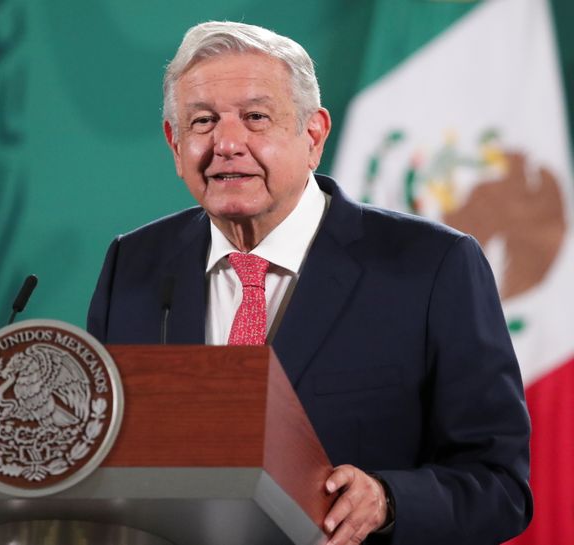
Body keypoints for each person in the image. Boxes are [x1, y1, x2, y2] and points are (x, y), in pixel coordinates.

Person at [87, 21, 532, 545]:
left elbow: (500, 487)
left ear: (313, 134)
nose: (228, 143)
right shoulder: (133, 265)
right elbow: (99, 459)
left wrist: (388, 502)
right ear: (174, 142)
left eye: (256, 118)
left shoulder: (433, 267)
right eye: (203, 122)